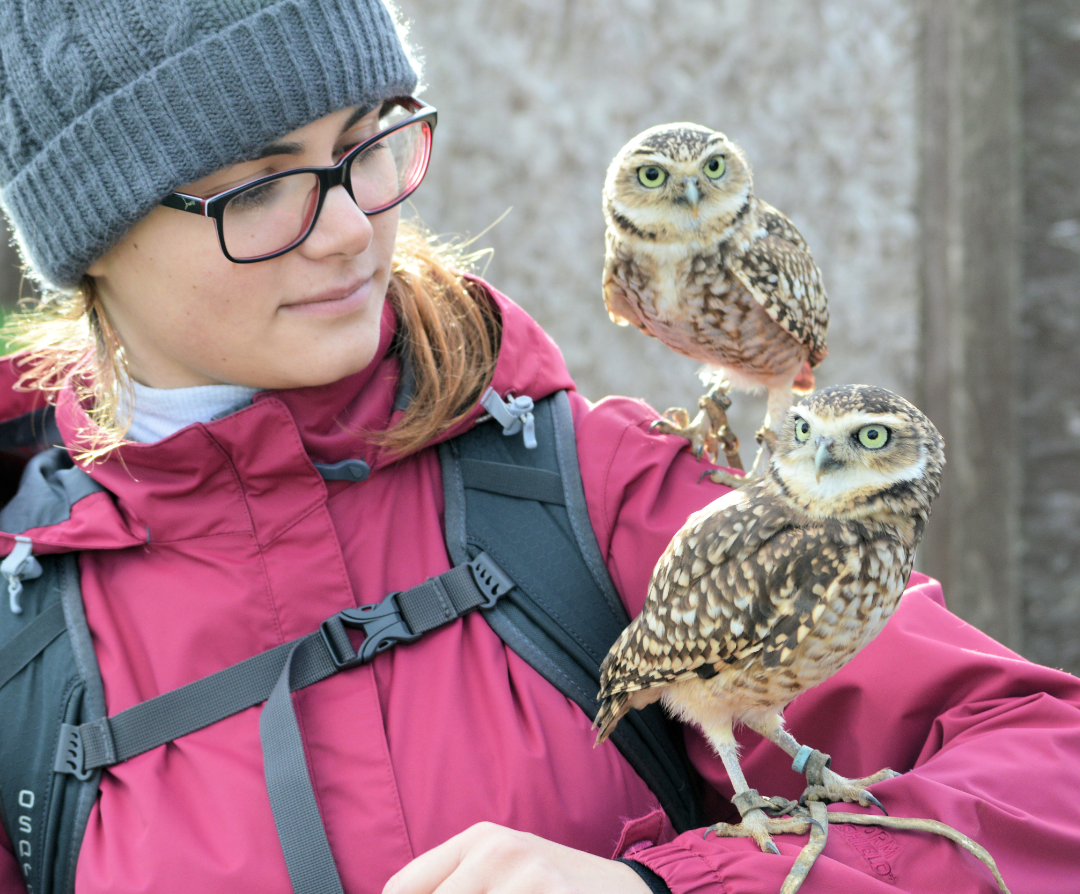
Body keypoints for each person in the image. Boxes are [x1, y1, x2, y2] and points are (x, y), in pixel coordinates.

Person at [0, 2, 1078, 892]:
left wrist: (672, 888)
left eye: (366, 144)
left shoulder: (597, 494)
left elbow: (1047, 770)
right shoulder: (27, 643)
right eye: (261, 185)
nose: (349, 229)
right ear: (93, 238)